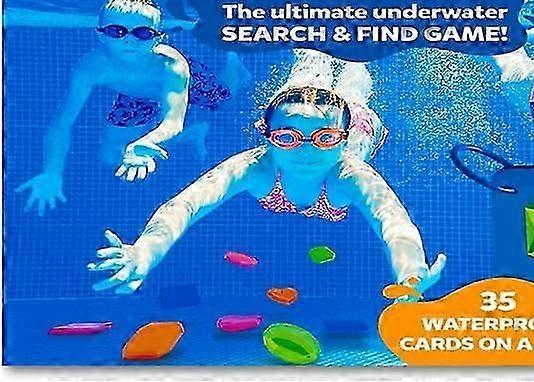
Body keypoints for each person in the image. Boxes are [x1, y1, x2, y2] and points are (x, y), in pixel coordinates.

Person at [86, 50, 446, 298]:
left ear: (341, 138)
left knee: (354, 78)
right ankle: (314, 46)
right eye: (288, 138)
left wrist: (410, 271)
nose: (306, 151)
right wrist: (145, 251)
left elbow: (393, 222)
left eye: (325, 139)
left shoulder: (349, 174)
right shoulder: (254, 167)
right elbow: (185, 205)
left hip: (355, 118)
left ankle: (350, 50)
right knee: (308, 69)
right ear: (266, 134)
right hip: (322, 114)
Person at [16, 0, 223, 216]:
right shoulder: (92, 67)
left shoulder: (172, 66)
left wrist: (145, 141)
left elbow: (172, 121)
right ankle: (193, 133)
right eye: (117, 31)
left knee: (223, 102)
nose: (129, 40)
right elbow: (62, 122)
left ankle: (234, 67)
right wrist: (52, 172)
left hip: (189, 85)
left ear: (158, 38)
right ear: (101, 35)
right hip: (136, 96)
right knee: (110, 157)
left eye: (143, 33)